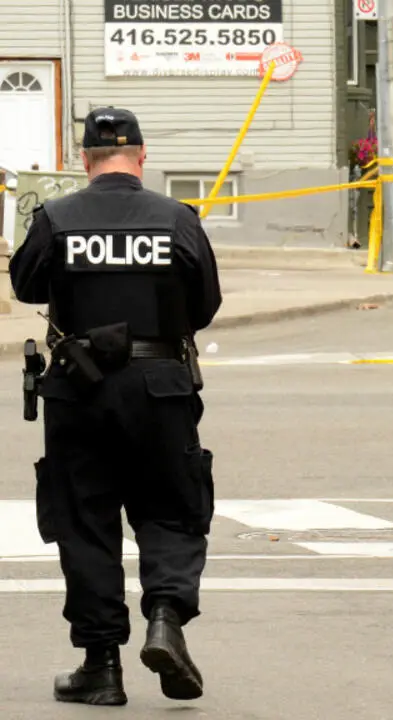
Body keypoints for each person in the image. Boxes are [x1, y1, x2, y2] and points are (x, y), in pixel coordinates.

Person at [8, 107, 222, 706]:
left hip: (80, 387)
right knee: (171, 510)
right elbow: (205, 304)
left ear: (85, 160)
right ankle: (166, 619)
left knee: (84, 523)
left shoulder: (57, 217)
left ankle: (100, 665)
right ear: (143, 157)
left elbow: (24, 286)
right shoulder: (177, 219)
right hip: (161, 386)